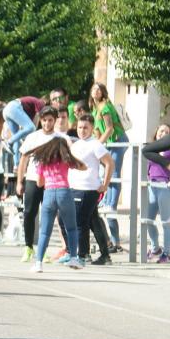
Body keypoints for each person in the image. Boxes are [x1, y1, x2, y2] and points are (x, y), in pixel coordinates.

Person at [16, 106, 69, 263]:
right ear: (40, 120)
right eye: (44, 120)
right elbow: (23, 160)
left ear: (55, 120)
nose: (47, 123)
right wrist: (20, 181)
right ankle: (28, 247)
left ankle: (43, 250)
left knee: (48, 216)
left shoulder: (60, 138)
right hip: (33, 179)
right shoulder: (33, 137)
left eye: (50, 120)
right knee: (29, 213)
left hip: (51, 182)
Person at [30, 137, 87, 272]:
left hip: (49, 193)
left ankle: (38, 262)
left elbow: (39, 183)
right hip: (64, 193)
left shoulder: (43, 161)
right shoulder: (66, 160)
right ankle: (73, 258)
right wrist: (69, 155)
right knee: (71, 228)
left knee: (45, 231)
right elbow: (84, 167)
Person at [68, 114, 114, 266]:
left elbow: (109, 163)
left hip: (88, 189)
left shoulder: (95, 144)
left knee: (80, 222)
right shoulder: (75, 145)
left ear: (92, 128)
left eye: (86, 128)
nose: (82, 130)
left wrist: (105, 184)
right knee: (94, 221)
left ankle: (83, 254)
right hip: (75, 187)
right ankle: (105, 255)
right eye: (80, 127)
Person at [90, 82, 128, 253]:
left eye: (99, 89)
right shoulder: (95, 109)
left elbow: (110, 129)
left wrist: (97, 146)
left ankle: (111, 201)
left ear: (103, 92)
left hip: (117, 140)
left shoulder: (105, 107)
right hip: (109, 144)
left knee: (113, 172)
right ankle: (114, 242)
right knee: (107, 171)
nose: (96, 92)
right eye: (94, 89)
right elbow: (97, 130)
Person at [142, 124, 170, 263]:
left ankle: (167, 253)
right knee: (148, 220)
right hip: (151, 186)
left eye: (167, 131)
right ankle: (155, 248)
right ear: (156, 133)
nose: (163, 133)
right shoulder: (151, 148)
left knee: (166, 222)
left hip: (165, 187)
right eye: (161, 130)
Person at [3, 95, 45, 167]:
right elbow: (34, 125)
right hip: (13, 107)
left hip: (7, 110)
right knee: (31, 128)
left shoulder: (31, 110)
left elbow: (25, 127)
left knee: (16, 137)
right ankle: (9, 142)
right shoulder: (41, 103)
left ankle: (16, 165)